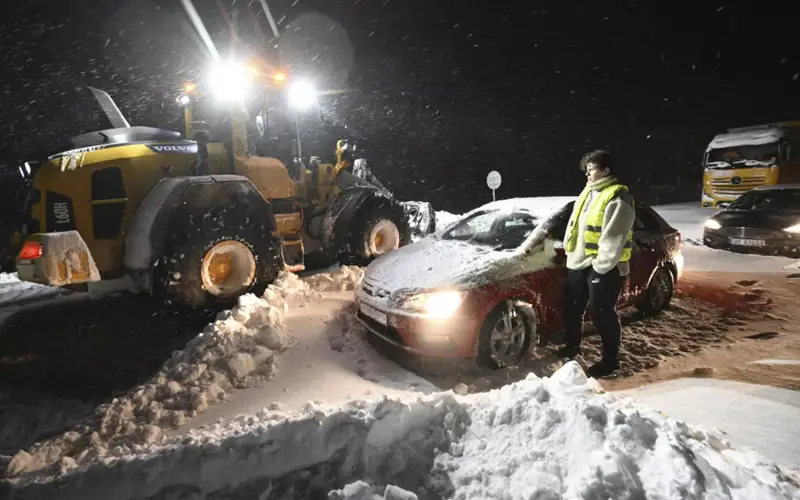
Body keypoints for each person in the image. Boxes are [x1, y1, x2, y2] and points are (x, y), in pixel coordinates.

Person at [555, 150, 636, 378]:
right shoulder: (588, 192)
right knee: (572, 306)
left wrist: (600, 267)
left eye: (592, 169)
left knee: (601, 313)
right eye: (587, 169)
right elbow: (575, 224)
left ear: (606, 170)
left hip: (605, 266)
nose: (587, 174)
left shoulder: (618, 197)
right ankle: (573, 346)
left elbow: (614, 238)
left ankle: (610, 361)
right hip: (581, 262)